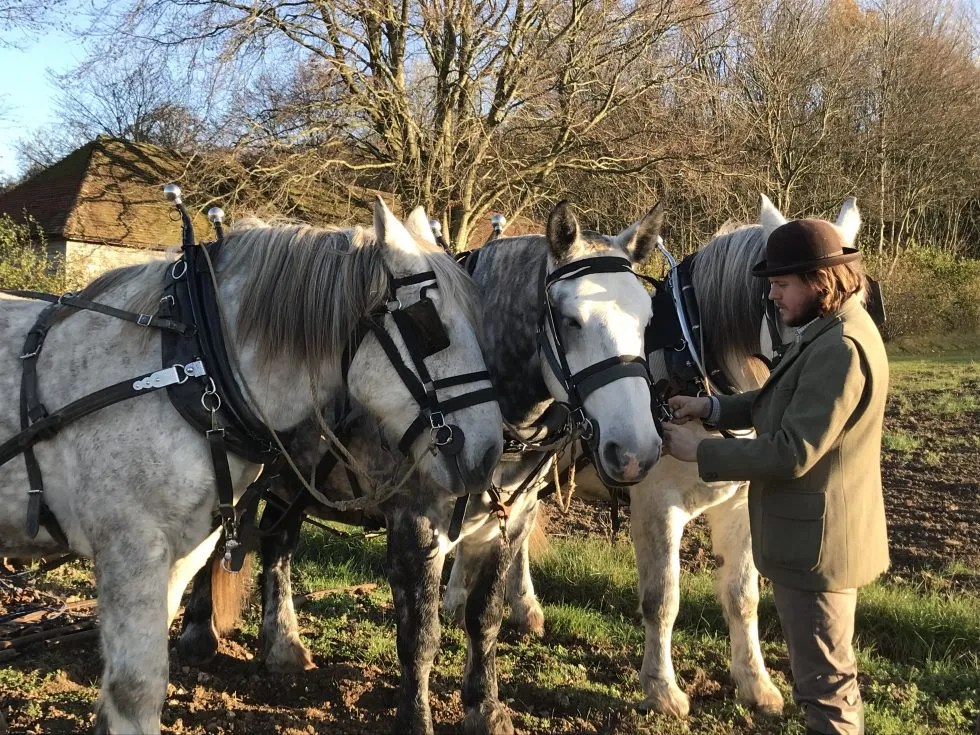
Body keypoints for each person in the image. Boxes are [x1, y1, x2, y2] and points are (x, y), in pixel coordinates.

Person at [663, 218, 889, 735]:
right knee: (821, 677)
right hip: (810, 540)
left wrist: (702, 450)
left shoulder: (841, 349)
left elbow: (792, 451)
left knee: (825, 687)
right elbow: (777, 402)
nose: (772, 294)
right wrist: (713, 407)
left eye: (782, 284)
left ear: (818, 281)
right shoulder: (831, 331)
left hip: (819, 548)